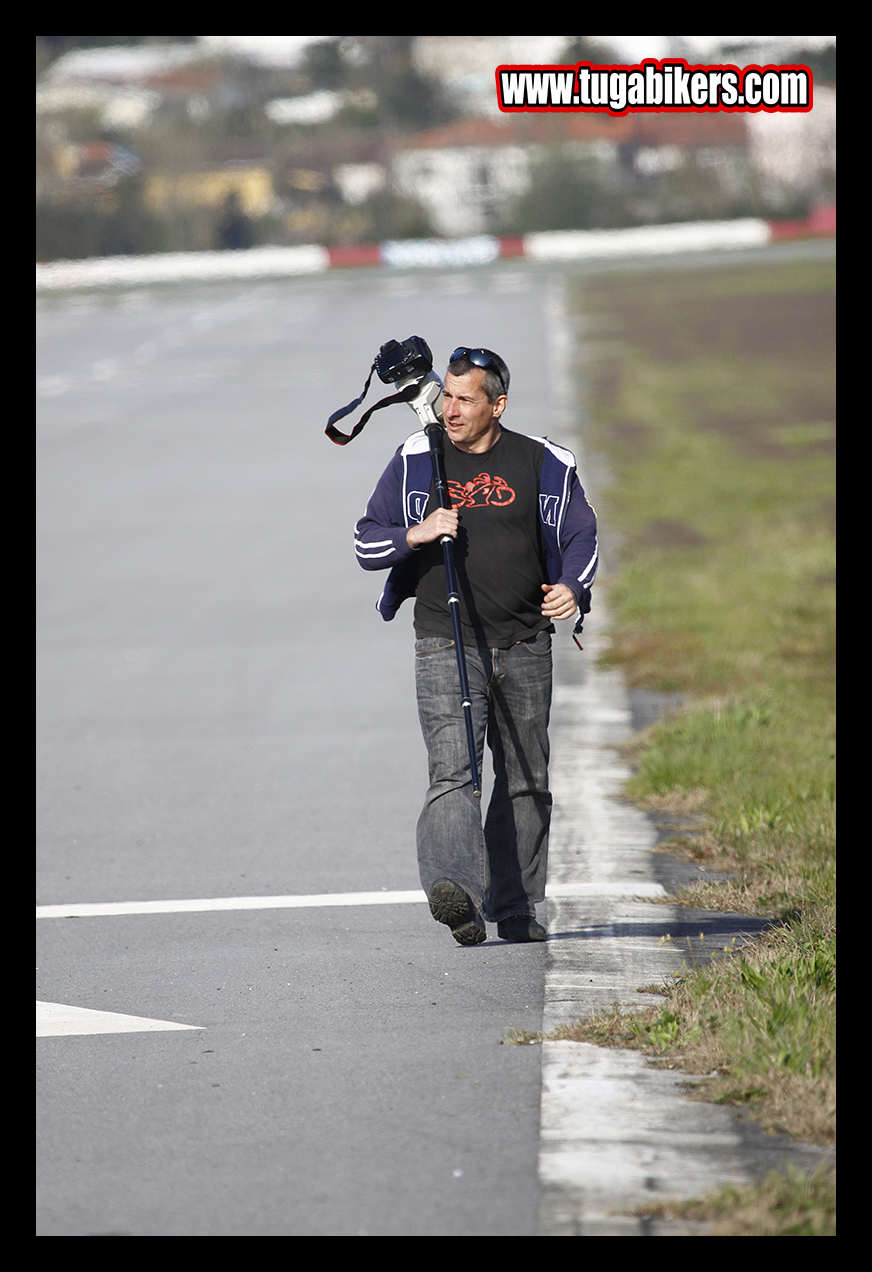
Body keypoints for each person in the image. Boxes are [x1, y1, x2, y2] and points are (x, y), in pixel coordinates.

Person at [354, 347, 598, 945]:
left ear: (498, 404)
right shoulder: (418, 459)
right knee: (453, 773)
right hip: (446, 638)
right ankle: (457, 893)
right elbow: (365, 542)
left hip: (524, 642)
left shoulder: (544, 462)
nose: (450, 408)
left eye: (466, 399)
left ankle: (514, 906)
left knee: (525, 777)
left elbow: (581, 533)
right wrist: (419, 531)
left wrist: (571, 587)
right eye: (448, 396)